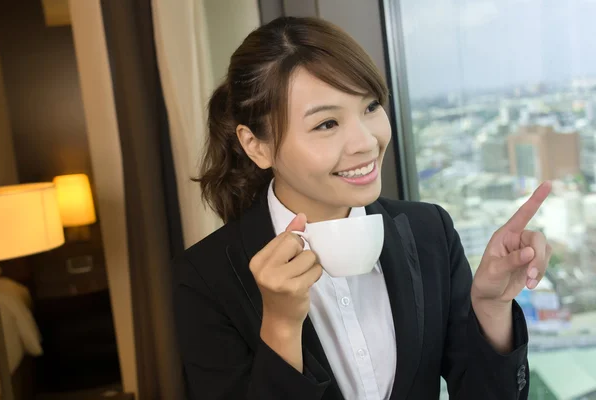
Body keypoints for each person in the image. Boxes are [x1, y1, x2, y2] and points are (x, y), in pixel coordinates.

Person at [172, 16, 551, 400]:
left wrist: (491, 307)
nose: (366, 141)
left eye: (370, 106)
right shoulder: (206, 278)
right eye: (327, 124)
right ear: (257, 146)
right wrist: (282, 326)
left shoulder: (429, 231)